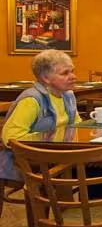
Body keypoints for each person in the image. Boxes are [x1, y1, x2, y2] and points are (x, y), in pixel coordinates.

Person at [1, 49, 80, 181]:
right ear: (45, 78)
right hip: (34, 161)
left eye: (72, 71)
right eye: (65, 73)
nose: (73, 76)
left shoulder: (68, 95)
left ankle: (98, 200)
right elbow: (10, 139)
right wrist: (54, 138)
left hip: (61, 153)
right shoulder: (31, 100)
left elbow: (77, 125)